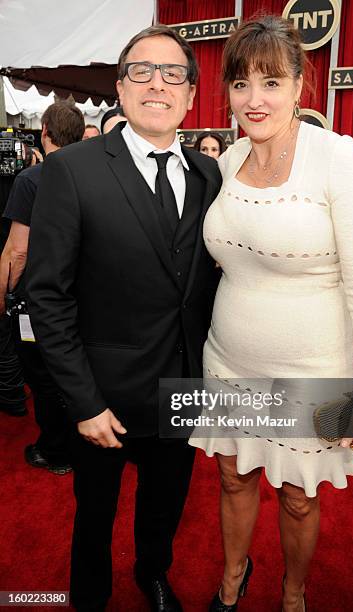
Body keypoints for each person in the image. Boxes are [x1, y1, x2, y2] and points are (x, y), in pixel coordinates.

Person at [189, 16, 353, 612]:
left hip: (311, 367)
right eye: (241, 84)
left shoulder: (338, 159)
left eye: (271, 82)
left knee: (300, 496)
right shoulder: (226, 164)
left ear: (300, 85)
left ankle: (294, 593)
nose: (255, 100)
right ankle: (232, 578)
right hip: (227, 358)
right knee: (232, 476)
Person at [25, 25, 221, 612]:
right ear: (120, 86)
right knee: (95, 511)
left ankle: (152, 575)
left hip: (184, 387)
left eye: (173, 74)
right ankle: (90, 593)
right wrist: (82, 402)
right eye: (141, 71)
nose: (157, 83)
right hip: (102, 392)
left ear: (191, 95)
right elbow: (48, 295)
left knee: (165, 502)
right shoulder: (73, 171)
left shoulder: (210, 175)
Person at [0, 101, 85, 474]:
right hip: (85, 297)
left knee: (45, 378)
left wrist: (3, 297)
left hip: (39, 301)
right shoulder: (95, 173)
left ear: (45, 131)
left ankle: (55, 451)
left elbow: (18, 251)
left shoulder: (30, 180)